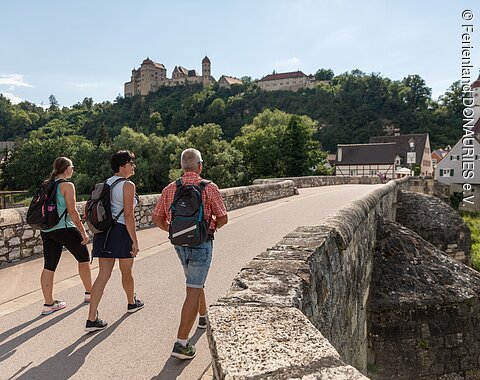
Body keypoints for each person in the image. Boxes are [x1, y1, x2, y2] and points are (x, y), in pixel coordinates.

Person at [152, 148, 228, 360]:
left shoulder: (170, 188)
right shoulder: (208, 187)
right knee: (193, 288)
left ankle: (202, 317)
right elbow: (223, 217)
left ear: (182, 167)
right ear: (200, 166)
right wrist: (209, 229)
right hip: (201, 243)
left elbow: (157, 218)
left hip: (179, 245)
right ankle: (181, 344)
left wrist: (175, 230)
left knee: (194, 281)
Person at [85, 150, 144, 332]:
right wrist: (134, 240)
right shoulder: (128, 185)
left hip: (103, 234)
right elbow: (128, 215)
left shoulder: (106, 183)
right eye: (131, 163)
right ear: (122, 166)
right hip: (120, 232)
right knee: (126, 271)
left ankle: (91, 318)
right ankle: (131, 302)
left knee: (103, 275)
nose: (133, 166)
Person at [40, 157, 92, 315]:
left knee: (49, 265)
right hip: (64, 227)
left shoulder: (46, 184)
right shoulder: (67, 185)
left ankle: (48, 304)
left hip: (47, 230)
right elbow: (72, 211)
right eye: (72, 167)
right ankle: (90, 293)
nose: (73, 169)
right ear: (66, 168)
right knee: (84, 257)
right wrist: (83, 231)